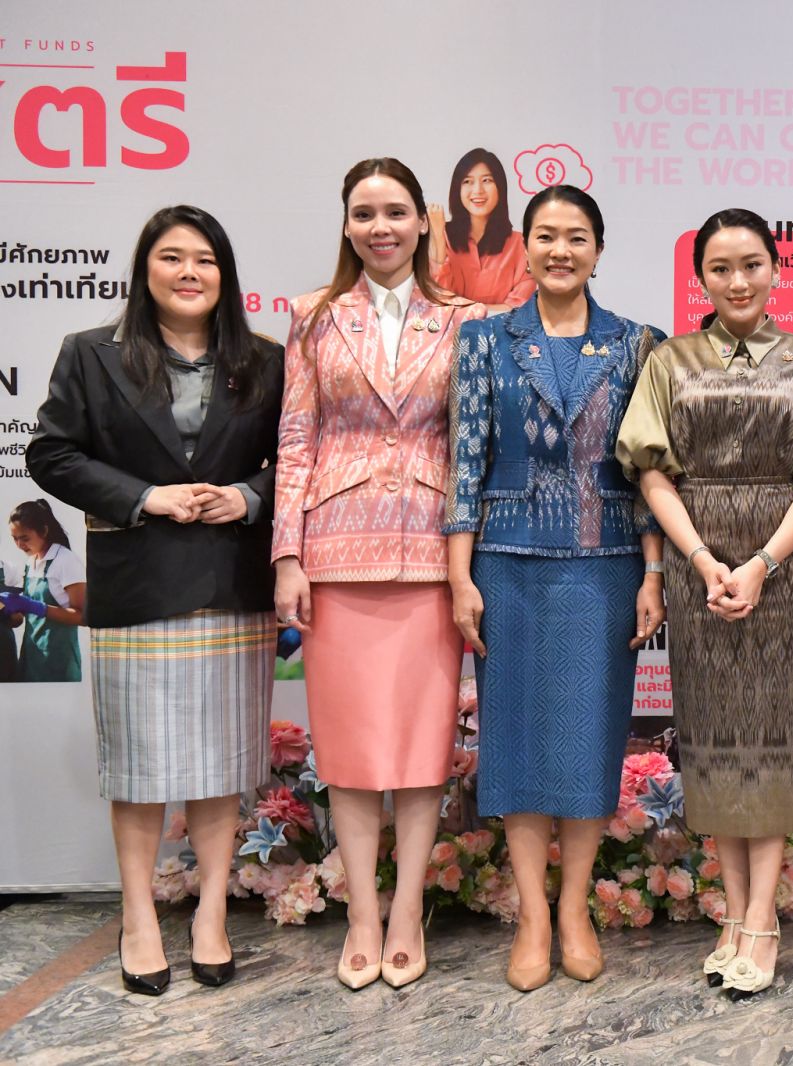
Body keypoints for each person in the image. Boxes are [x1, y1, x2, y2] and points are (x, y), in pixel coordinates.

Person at [26, 204, 283, 994]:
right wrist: (146, 497)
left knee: (219, 765)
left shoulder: (265, 360)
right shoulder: (91, 354)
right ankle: (139, 917)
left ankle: (211, 914)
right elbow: (51, 454)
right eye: (172, 257)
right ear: (146, 270)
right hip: (137, 586)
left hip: (231, 587)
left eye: (205, 259)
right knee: (140, 769)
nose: (188, 272)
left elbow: (300, 461)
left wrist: (247, 496)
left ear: (224, 275)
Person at [617, 208, 793, 1000]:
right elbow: (652, 471)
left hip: (783, 572)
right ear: (700, 279)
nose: (738, 280)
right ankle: (733, 910)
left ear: (777, 270)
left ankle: (761, 918)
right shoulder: (668, 361)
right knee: (717, 741)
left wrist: (760, 564)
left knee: (775, 740)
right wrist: (700, 560)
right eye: (720, 268)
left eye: (752, 264)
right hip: (700, 574)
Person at [444, 184, 665, 992]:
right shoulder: (484, 340)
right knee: (514, 743)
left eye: (577, 236)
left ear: (598, 250)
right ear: (526, 247)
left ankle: (574, 909)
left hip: (605, 565)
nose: (560, 250)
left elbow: (648, 471)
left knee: (589, 739)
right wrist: (459, 574)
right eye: (546, 235)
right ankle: (532, 916)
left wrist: (653, 571)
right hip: (505, 561)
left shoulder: (637, 343)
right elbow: (465, 460)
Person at [273, 158, 486, 991]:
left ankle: (407, 911)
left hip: (434, 552)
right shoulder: (313, 316)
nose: (380, 227)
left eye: (395, 211)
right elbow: (296, 440)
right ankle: (363, 911)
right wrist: (288, 555)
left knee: (424, 749)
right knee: (351, 749)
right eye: (364, 213)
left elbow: (471, 445)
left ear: (424, 221)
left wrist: (470, 557)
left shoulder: (467, 320)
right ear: (346, 225)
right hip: (336, 553)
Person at [428, 148, 533, 307]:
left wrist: (468, 312)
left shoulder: (521, 244)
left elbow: (519, 308)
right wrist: (438, 237)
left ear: (500, 187)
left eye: (487, 180)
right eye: (467, 181)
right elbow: (438, 300)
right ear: (457, 189)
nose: (478, 190)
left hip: (502, 326)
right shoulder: (442, 237)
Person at [5, 499, 86, 681]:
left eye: (24, 538)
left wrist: (36, 607)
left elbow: (83, 617)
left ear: (44, 531)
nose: (19, 545)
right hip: (31, 660)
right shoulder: (31, 562)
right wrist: (9, 610)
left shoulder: (65, 561)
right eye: (14, 538)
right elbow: (25, 617)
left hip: (59, 664)